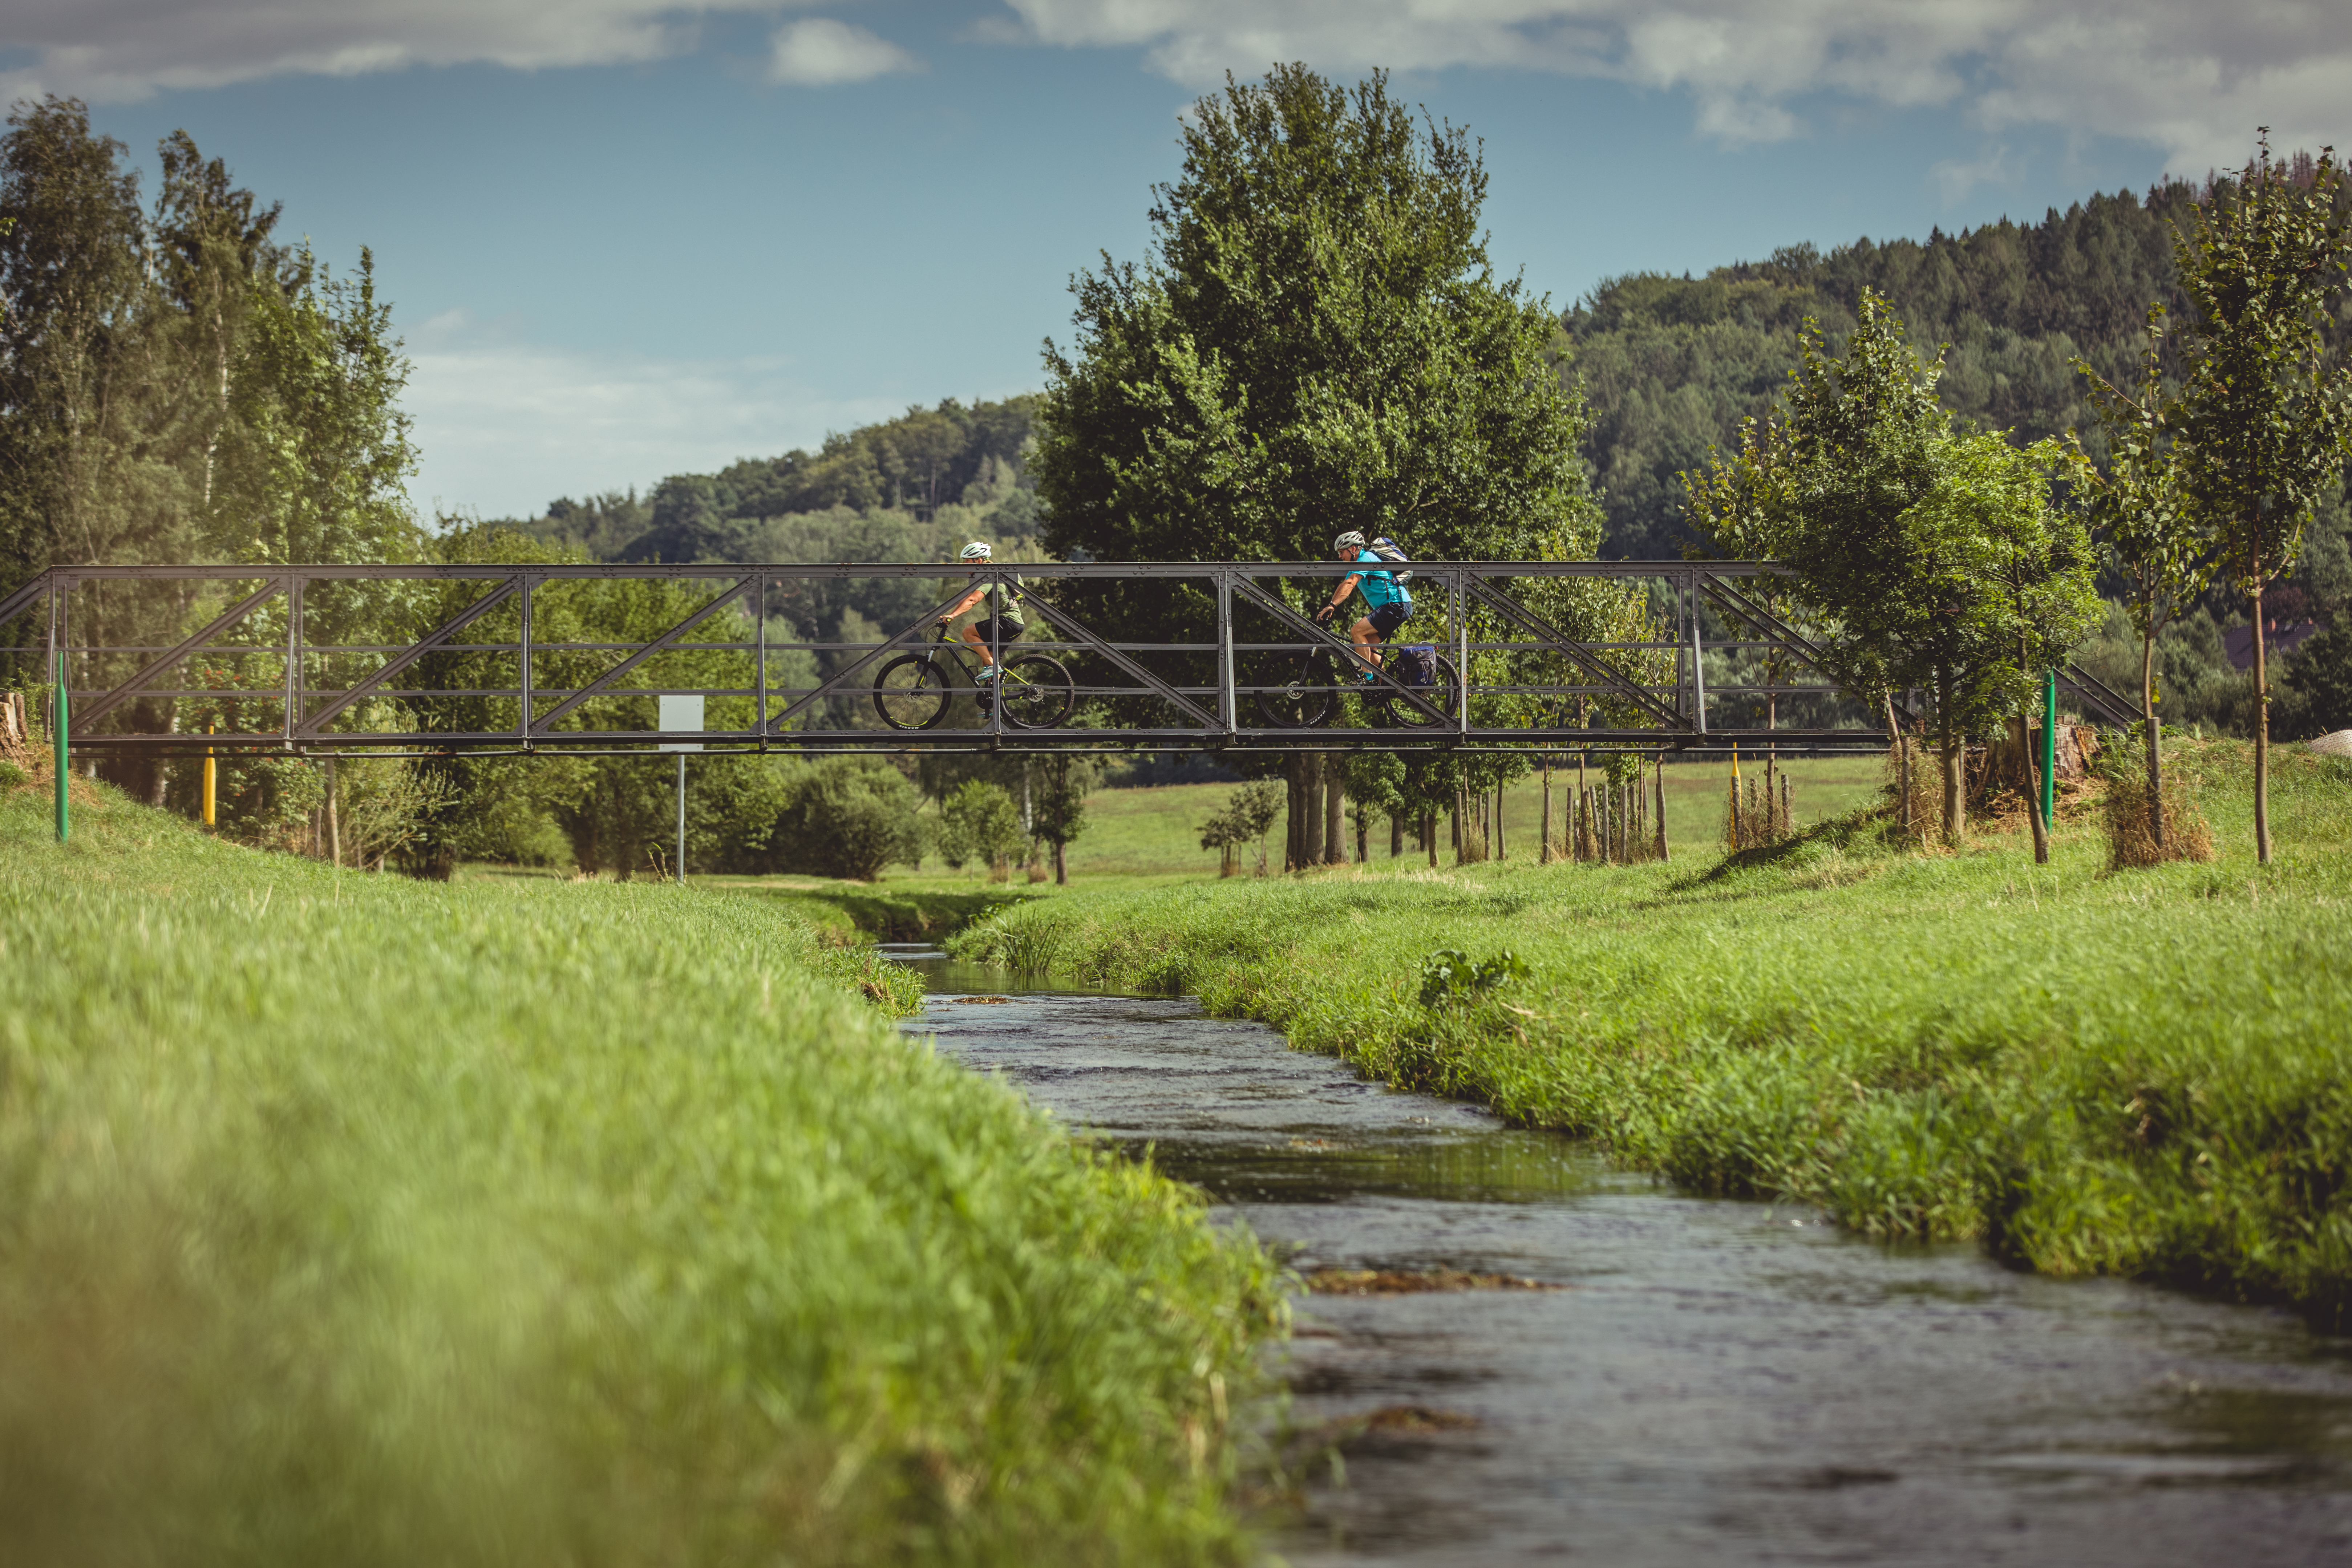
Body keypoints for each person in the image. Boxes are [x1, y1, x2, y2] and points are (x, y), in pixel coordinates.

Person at [1315, 530, 1413, 681]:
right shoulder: (1358, 564)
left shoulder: (1366, 559)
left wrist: (1333, 606)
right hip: (1396, 607)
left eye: (1342, 552)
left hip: (1396, 605)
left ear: (1353, 549)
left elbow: (1351, 583)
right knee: (1368, 647)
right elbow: (1344, 586)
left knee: (1357, 632)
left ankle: (1367, 678)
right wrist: (1331, 606)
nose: (1340, 556)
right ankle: (1384, 685)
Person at [938, 540, 1026, 681]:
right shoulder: (991, 573)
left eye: (967, 561)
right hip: (1013, 624)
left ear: (979, 560)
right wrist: (951, 615)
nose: (964, 564)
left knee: (968, 633)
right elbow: (968, 598)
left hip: (1008, 622)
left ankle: (994, 668)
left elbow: (973, 601)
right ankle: (996, 696)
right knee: (987, 661)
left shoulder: (990, 576)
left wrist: (953, 616)